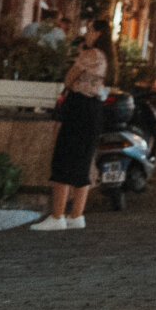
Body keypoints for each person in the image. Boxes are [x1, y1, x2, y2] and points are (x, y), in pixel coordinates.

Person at [40, 18, 111, 232]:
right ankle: (76, 215)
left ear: (98, 33)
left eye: (89, 30)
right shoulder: (106, 57)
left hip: (78, 108)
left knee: (63, 157)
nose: (86, 34)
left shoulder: (91, 55)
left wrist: (81, 53)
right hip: (94, 110)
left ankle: (57, 215)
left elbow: (69, 79)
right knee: (83, 160)